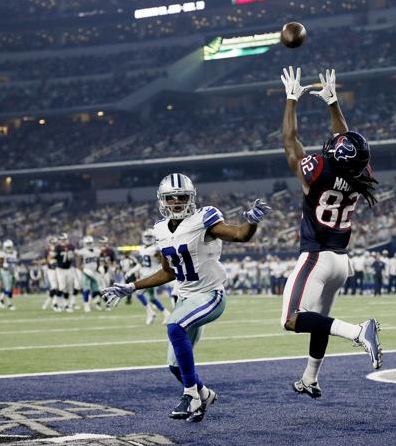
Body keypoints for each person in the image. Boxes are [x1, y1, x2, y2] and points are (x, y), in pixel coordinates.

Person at [102, 173, 272, 422]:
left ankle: (191, 396)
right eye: (172, 198)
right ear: (163, 200)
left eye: (183, 196)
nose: (178, 201)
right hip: (185, 299)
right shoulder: (159, 229)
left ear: (191, 198)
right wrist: (132, 286)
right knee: (174, 365)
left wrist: (252, 223)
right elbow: (168, 272)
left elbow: (239, 235)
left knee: (174, 325)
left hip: (209, 295)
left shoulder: (204, 218)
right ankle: (204, 395)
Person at [278, 66, 383, 399]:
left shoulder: (320, 170)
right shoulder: (361, 174)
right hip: (341, 263)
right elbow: (348, 143)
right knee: (318, 319)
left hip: (316, 257)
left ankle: (357, 331)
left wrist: (291, 100)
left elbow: (290, 143)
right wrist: (333, 103)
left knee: (294, 319)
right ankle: (310, 378)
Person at [77, 235, 101, 312]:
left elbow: (98, 262)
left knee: (96, 290)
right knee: (86, 289)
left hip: (94, 272)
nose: (89, 244)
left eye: (90, 243)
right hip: (85, 272)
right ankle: (86, 305)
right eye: (88, 243)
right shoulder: (82, 252)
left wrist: (98, 269)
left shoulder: (97, 251)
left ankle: (94, 303)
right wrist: (84, 270)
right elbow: (78, 264)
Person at [0, 239, 18, 310]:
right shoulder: (1, 253)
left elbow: (15, 263)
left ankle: (3, 300)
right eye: (8, 247)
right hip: (5, 271)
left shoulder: (14, 253)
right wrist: (3, 265)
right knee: (8, 287)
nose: (9, 249)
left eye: (10, 247)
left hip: (12, 271)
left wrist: (16, 272)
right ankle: (8, 303)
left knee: (11, 289)